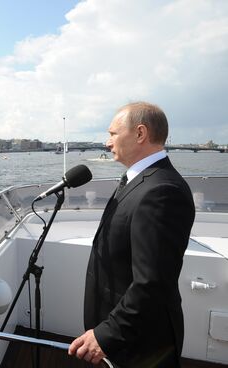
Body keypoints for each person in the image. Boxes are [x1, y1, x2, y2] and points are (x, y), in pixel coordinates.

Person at [68, 102, 195, 367]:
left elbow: (152, 283)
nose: (107, 142)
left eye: (113, 134)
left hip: (139, 346)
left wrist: (106, 335)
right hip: (125, 338)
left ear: (140, 134)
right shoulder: (139, 180)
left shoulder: (162, 192)